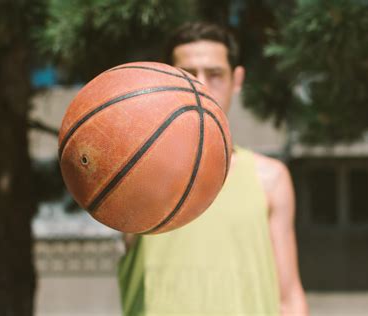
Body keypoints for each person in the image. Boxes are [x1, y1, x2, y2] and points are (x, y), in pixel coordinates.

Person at [118, 22, 308, 316]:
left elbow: (289, 296)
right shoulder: (133, 174)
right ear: (167, 79)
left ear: (237, 79)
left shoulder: (270, 178)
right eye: (188, 74)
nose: (201, 85)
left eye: (215, 74)